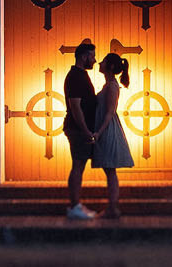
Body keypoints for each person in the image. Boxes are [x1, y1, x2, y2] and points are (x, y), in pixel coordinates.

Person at [93, 51, 137, 218]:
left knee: (110, 171)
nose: (99, 63)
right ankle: (112, 207)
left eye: (103, 61)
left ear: (110, 66)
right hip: (105, 128)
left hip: (108, 129)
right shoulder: (109, 84)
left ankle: (113, 208)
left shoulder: (112, 86)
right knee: (109, 170)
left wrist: (99, 132)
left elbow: (110, 112)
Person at [63, 39, 100, 219]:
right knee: (77, 165)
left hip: (79, 128)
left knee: (79, 165)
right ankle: (75, 206)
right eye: (92, 56)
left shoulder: (79, 75)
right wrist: (85, 130)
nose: (94, 60)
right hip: (78, 129)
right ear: (84, 56)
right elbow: (75, 107)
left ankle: (76, 205)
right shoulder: (76, 76)